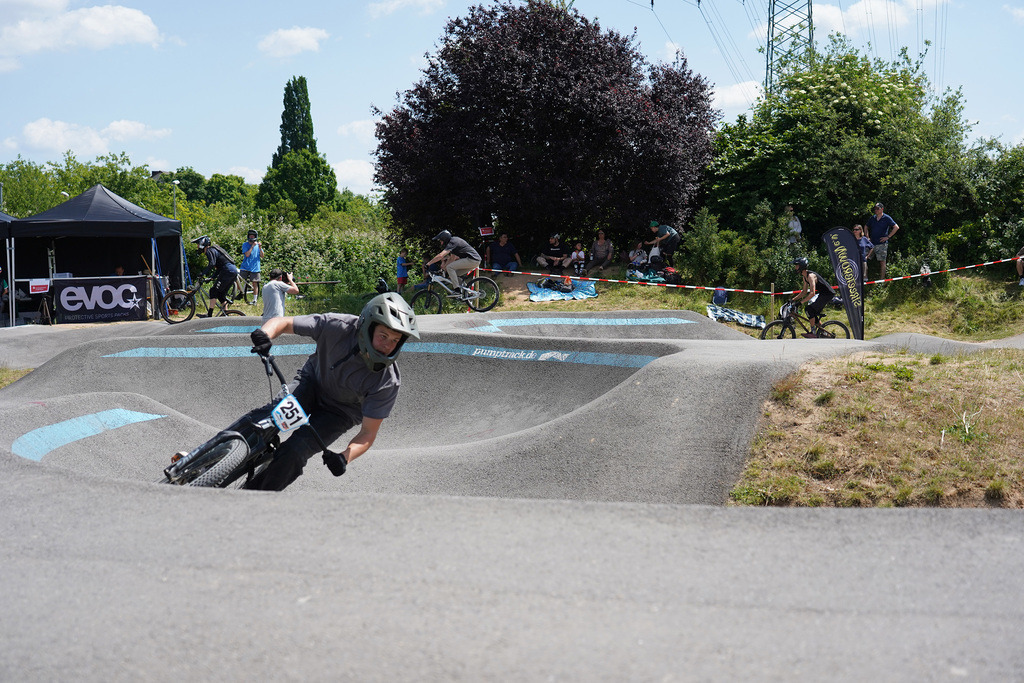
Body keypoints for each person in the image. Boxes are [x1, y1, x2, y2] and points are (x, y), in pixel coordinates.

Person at [243, 292, 420, 491]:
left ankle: (253, 496)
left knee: (295, 452)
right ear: (367, 326)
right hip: (311, 383)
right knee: (268, 418)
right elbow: (283, 322)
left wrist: (345, 457)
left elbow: (368, 433)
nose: (388, 345)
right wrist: (264, 334)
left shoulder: (387, 382)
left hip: (339, 413)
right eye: (383, 336)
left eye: (395, 340)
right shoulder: (337, 326)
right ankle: (212, 453)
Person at [191, 235, 239, 317]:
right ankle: (225, 314)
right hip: (232, 270)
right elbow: (219, 267)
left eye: (198, 244)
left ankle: (209, 314)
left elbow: (212, 264)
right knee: (220, 294)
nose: (197, 246)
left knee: (213, 291)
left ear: (202, 244)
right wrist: (212, 277)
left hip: (227, 270)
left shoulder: (209, 250)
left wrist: (203, 273)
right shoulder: (213, 250)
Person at [790, 257, 835, 338]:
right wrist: (793, 300)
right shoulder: (804, 277)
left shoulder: (811, 276)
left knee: (809, 309)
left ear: (801, 266)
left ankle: (813, 332)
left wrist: (800, 303)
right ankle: (823, 332)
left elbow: (812, 293)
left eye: (797, 266)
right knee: (812, 311)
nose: (795, 268)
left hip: (828, 294)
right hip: (822, 294)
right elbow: (804, 292)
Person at [425, 230, 481, 294]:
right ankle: (467, 292)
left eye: (441, 241)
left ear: (445, 239)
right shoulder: (454, 242)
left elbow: (441, 255)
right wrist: (442, 270)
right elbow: (452, 258)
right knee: (454, 276)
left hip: (472, 259)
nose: (440, 243)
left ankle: (457, 290)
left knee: (450, 267)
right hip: (474, 260)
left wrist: (428, 264)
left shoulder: (452, 242)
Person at [866, 202, 900, 280]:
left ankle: (881, 280)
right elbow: (866, 226)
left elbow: (896, 227)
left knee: (882, 262)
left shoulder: (887, 218)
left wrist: (888, 237)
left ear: (882, 209)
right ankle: (864, 277)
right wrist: (867, 237)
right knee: (864, 259)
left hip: (882, 244)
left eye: (877, 208)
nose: (876, 210)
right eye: (875, 209)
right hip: (871, 244)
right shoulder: (872, 218)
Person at [240, 229, 263, 305]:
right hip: (245, 267)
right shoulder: (245, 244)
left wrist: (260, 248)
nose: (251, 237)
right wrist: (252, 246)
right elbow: (247, 254)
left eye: (253, 236)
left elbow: (262, 256)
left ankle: (254, 300)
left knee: (255, 283)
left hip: (255, 267)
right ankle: (240, 293)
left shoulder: (258, 246)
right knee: (239, 280)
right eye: (250, 236)